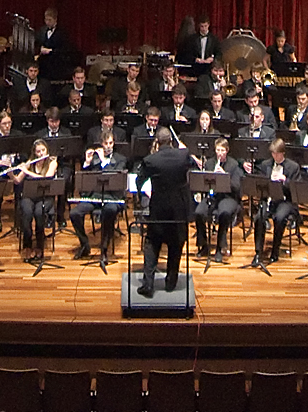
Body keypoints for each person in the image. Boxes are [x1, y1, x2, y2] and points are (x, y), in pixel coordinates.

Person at [136, 127, 196, 297]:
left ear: (157, 141)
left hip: (159, 209)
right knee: (176, 245)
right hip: (179, 210)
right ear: (171, 140)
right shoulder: (183, 155)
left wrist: (143, 196)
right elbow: (193, 165)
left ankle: (148, 284)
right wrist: (184, 150)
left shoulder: (150, 160)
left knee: (152, 243)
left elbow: (140, 181)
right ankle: (171, 282)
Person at [72, 121, 127, 263]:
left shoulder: (121, 159)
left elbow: (116, 178)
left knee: (109, 211)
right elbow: (84, 181)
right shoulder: (94, 159)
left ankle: (104, 249)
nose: (108, 146)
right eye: (106, 143)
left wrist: (104, 161)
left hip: (112, 198)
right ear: (101, 144)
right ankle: (85, 244)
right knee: (75, 213)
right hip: (94, 196)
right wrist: (87, 163)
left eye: (110, 143)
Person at [193, 134, 245, 261]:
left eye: (222, 150)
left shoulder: (233, 165)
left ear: (227, 151)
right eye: (218, 150)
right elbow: (203, 183)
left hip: (229, 197)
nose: (220, 153)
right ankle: (203, 245)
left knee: (224, 213)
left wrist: (224, 177)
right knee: (199, 212)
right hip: (213, 196)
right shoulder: (210, 163)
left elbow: (238, 187)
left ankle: (219, 248)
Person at [252, 138, 302, 264]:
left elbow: (297, 189)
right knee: (259, 217)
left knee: (280, 218)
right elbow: (260, 183)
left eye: (277, 153)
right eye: (273, 153)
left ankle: (275, 250)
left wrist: (285, 180)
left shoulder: (293, 167)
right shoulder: (266, 165)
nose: (275, 156)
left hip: (286, 201)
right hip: (269, 199)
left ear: (283, 153)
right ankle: (258, 252)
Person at [10, 137, 61, 255]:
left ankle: (39, 244)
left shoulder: (52, 163)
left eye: (43, 150)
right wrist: (11, 174)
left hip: (45, 196)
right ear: (34, 153)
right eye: (38, 151)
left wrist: (28, 172)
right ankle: (27, 243)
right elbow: (17, 181)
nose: (41, 153)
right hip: (29, 196)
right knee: (27, 213)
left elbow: (46, 179)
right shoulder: (30, 163)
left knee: (39, 213)